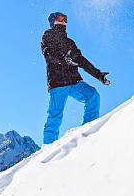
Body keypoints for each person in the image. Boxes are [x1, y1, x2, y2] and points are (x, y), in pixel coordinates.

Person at [41, 12, 110, 145]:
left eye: (65, 19)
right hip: (58, 82)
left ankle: (88, 130)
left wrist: (98, 75)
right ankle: (47, 148)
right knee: (55, 116)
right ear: (52, 21)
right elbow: (48, 54)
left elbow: (81, 61)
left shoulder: (69, 42)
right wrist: (63, 59)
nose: (64, 22)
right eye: (61, 18)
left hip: (73, 81)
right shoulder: (47, 36)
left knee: (93, 96)